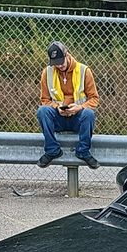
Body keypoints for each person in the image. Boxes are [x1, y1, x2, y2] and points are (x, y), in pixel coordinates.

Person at [37, 41, 101, 170]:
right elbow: (45, 100)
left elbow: (94, 99)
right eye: (56, 63)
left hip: (77, 118)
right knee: (42, 111)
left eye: (61, 61)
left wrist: (79, 107)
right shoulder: (47, 73)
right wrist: (57, 107)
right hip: (59, 117)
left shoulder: (84, 71)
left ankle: (83, 151)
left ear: (67, 55)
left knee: (89, 113)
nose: (59, 66)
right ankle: (52, 150)